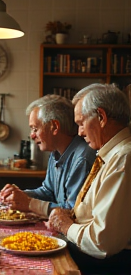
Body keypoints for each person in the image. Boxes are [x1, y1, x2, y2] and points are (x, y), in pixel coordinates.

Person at [45, 83, 131, 274]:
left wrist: (67, 226)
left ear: (101, 117)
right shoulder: (109, 155)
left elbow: (102, 242)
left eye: (81, 123)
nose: (80, 132)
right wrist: (71, 217)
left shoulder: (123, 159)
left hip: (108, 266)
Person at [0, 94, 96, 217]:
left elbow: (73, 212)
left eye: (35, 128)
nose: (32, 135)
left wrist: (29, 203)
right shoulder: (55, 152)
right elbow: (48, 192)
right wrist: (20, 195)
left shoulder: (82, 158)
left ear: (54, 127)